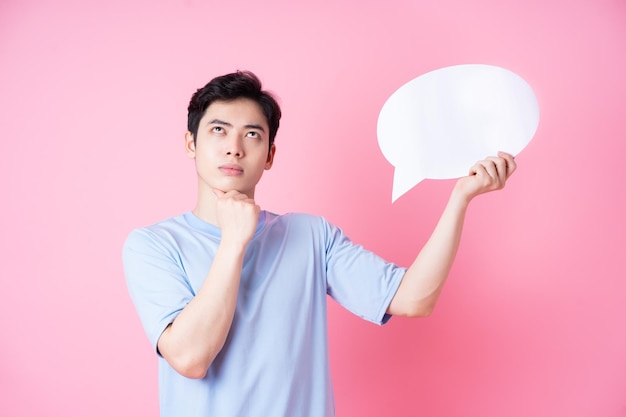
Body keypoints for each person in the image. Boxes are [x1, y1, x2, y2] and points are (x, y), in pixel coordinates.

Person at [123, 70, 517, 417]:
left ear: (270, 155)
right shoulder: (153, 245)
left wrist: (461, 197)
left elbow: (414, 298)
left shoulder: (310, 236)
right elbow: (191, 358)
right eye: (218, 130)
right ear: (191, 144)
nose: (234, 147)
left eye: (252, 134)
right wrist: (234, 241)